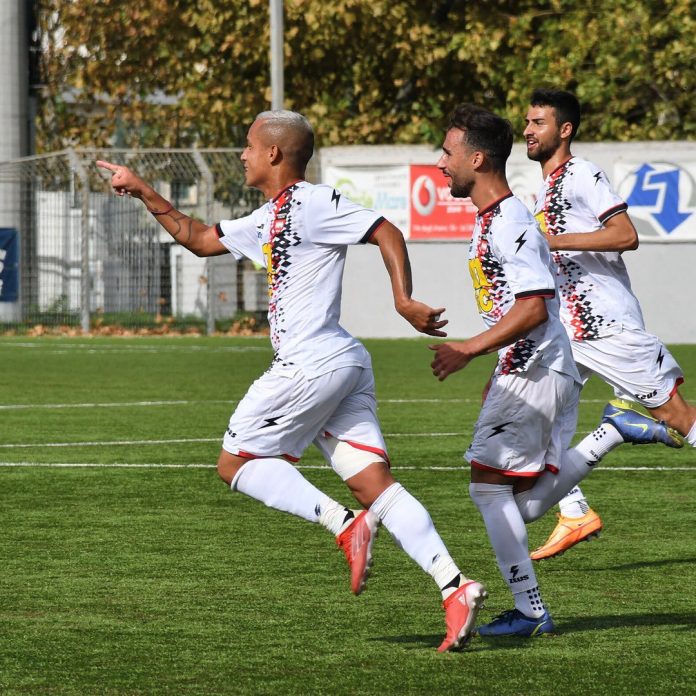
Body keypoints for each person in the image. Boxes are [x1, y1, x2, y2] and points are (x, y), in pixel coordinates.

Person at [97, 109, 487, 652]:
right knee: (373, 483)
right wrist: (142, 190)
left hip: (310, 364)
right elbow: (200, 238)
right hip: (341, 364)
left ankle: (343, 523)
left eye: (249, 146)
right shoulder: (270, 215)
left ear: (275, 154)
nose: (242, 155)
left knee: (235, 462)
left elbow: (385, 231)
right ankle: (454, 585)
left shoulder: (314, 202)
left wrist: (402, 299)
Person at [429, 103, 674, 638]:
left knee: (488, 491)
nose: (441, 163)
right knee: (510, 495)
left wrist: (468, 349)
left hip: (535, 366)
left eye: (447, 153)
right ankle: (611, 432)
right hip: (533, 364)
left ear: (477, 157)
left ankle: (531, 612)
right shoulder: (494, 217)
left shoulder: (511, 220)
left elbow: (534, 306)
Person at [523, 88, 695, 561]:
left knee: (678, 416)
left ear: (565, 130)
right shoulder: (547, 187)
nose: (527, 130)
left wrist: (551, 241)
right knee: (534, 415)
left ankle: (618, 429)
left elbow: (625, 234)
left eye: (538, 122)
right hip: (567, 331)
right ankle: (574, 511)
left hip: (606, 326)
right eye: (527, 122)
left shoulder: (581, 173)